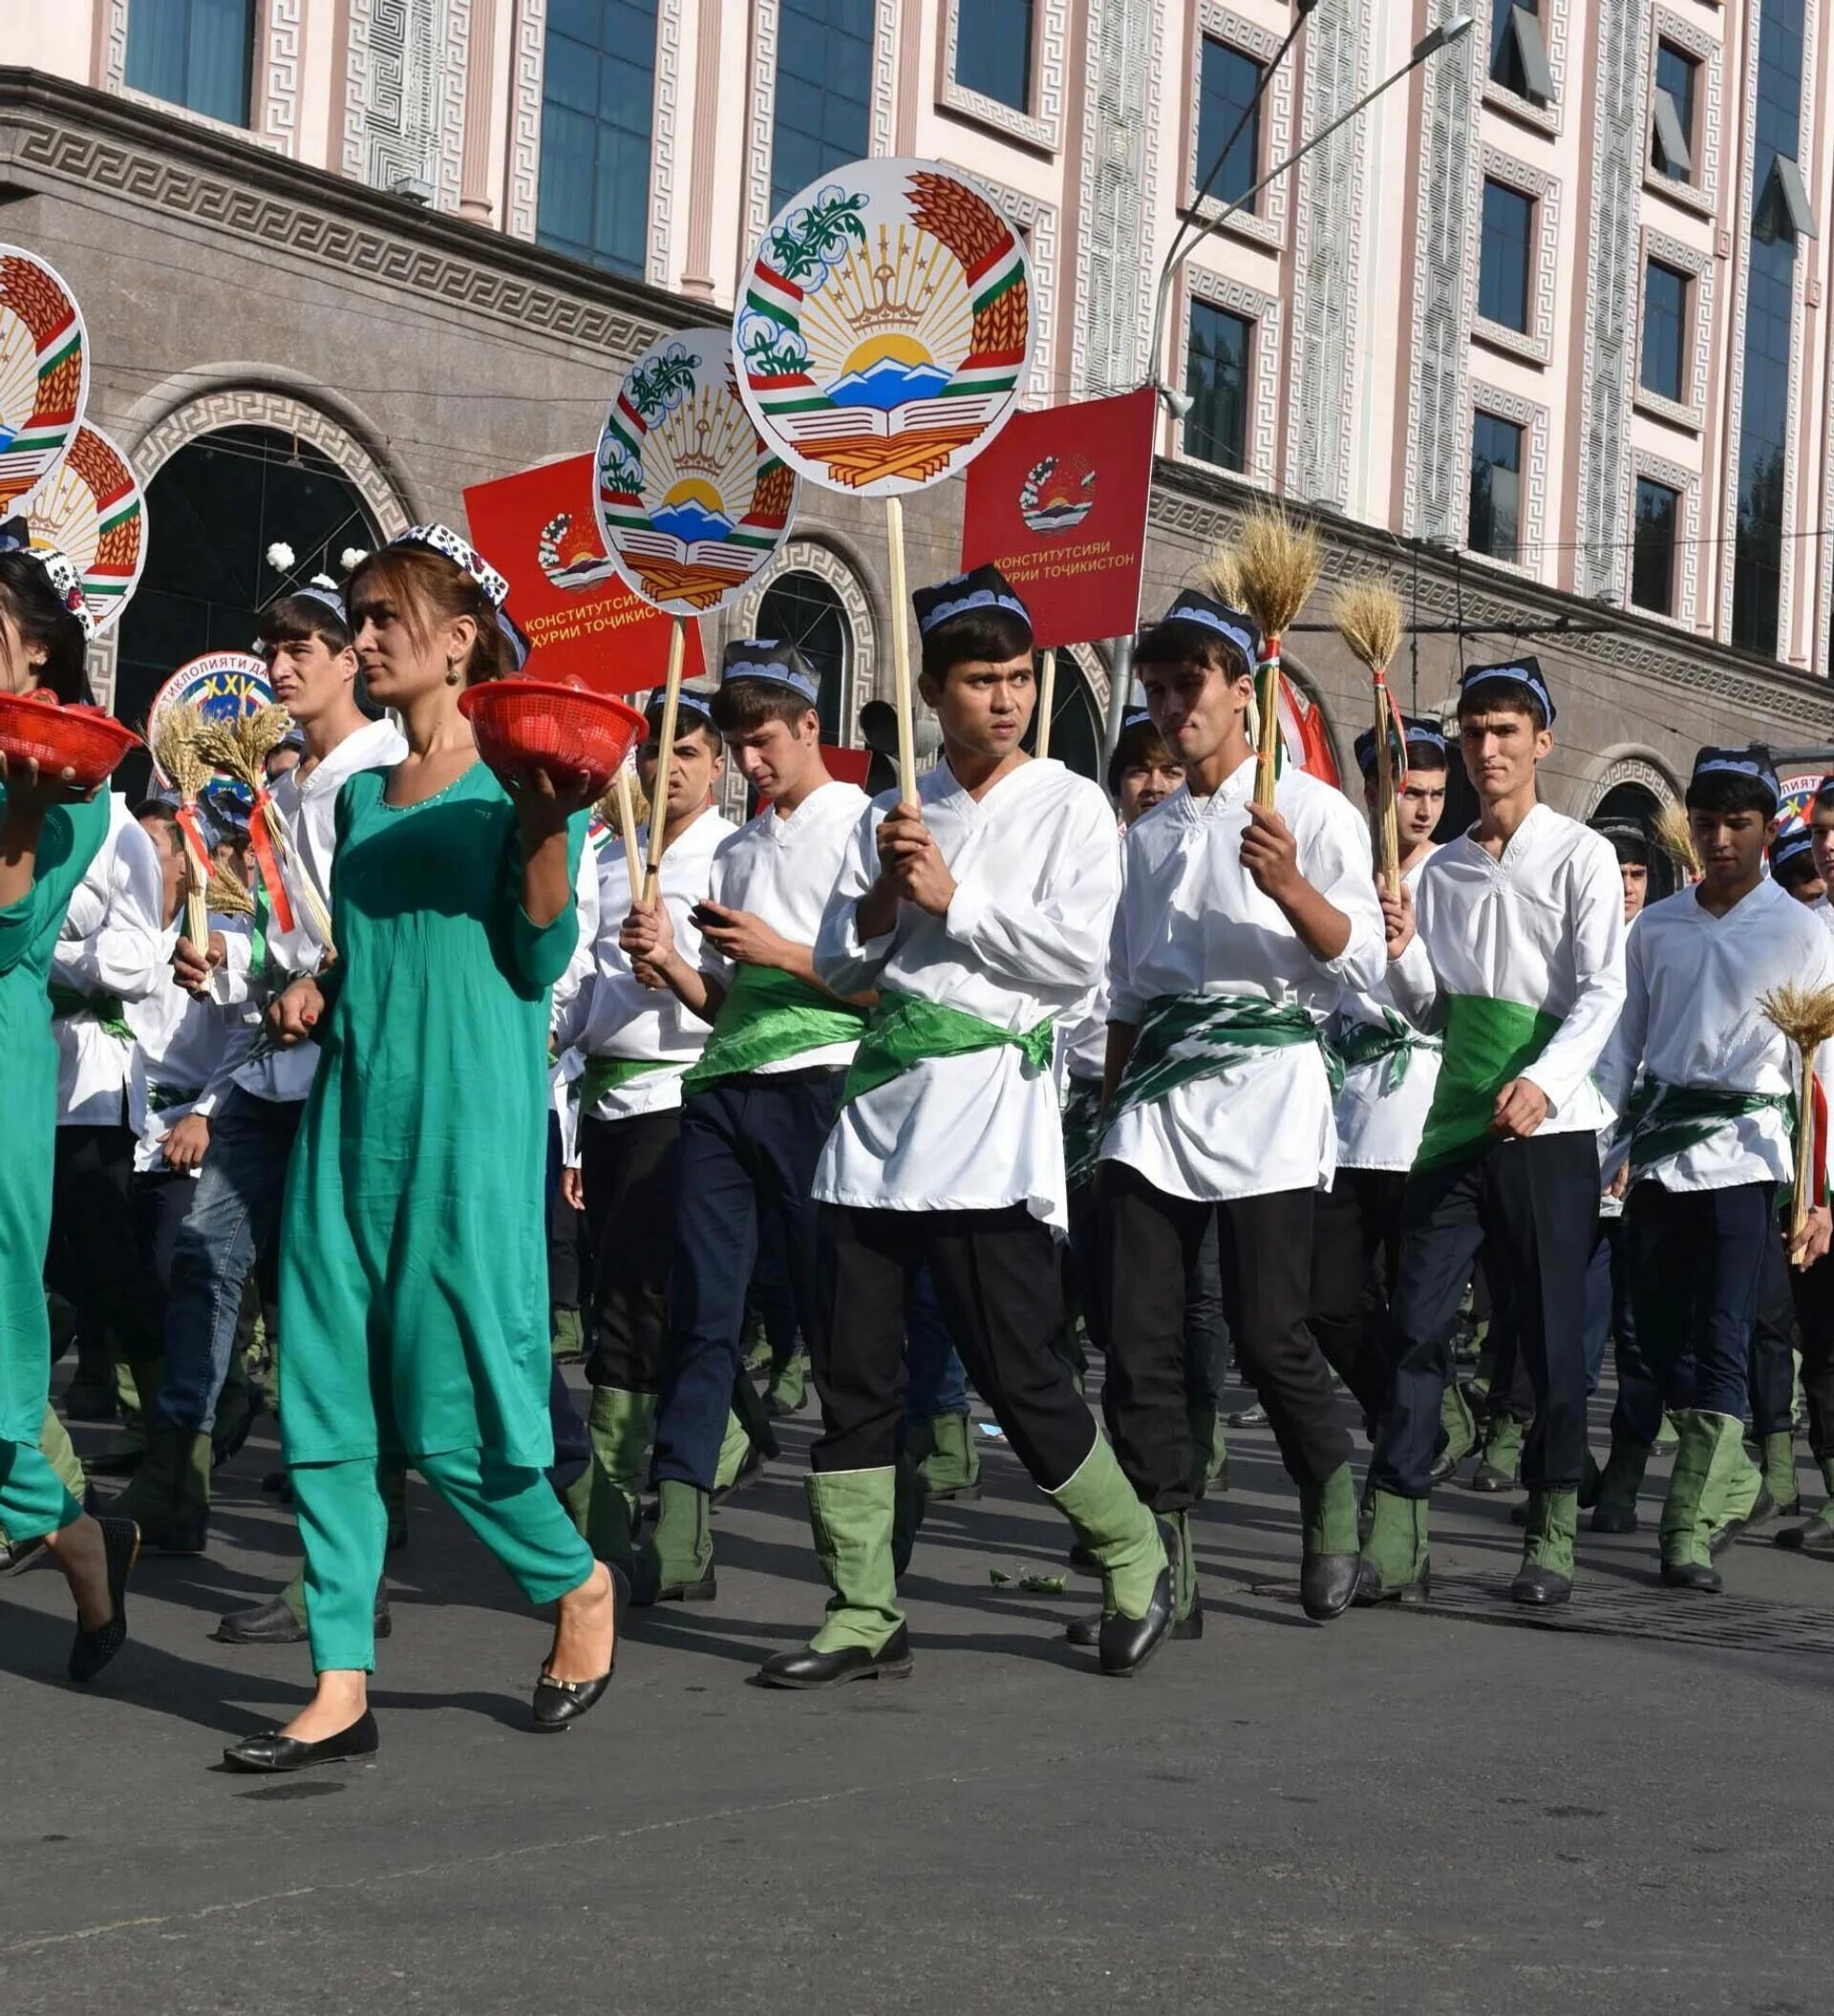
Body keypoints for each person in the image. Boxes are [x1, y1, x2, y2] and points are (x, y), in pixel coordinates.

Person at [221, 527, 616, 1772]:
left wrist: (547, 826)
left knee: (453, 1423)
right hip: (349, 1128)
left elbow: (540, 954)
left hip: (465, 1141)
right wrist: (314, 992)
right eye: (361, 616)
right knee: (325, 1402)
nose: (367, 637)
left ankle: (576, 1581)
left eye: (387, 617)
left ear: (461, 640)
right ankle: (341, 1679)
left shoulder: (516, 784)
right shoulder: (352, 801)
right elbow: (368, 962)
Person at [748, 562, 1167, 1688]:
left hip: (990, 1130)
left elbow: (1080, 954)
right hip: (873, 1131)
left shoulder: (1073, 803)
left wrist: (954, 901)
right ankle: (862, 1604)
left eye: (1019, 676)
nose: (1006, 698)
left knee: (1022, 1374)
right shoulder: (899, 805)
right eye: (981, 678)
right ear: (933, 689)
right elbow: (839, 965)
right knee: (854, 1377)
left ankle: (1134, 1559)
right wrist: (886, 895)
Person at [1097, 588, 1387, 1633]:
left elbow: (1365, 963)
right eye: (1161, 689)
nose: (1176, 707)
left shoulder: (1308, 811)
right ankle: (1162, 1537)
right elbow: (1129, 988)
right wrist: (1107, 1108)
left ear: (1242, 687)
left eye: (1193, 684)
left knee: (1270, 1329)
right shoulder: (1149, 833)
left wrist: (1294, 886)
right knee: (1137, 1332)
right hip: (1157, 1097)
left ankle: (1328, 1485)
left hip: (1268, 1088)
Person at [134, 588, 405, 1580]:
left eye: (299, 650)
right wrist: (230, 964)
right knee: (206, 1254)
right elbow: (280, 938)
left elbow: (377, 938)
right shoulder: (283, 790)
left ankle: (353, 1539)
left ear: (347, 659)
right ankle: (177, 1476)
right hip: (267, 1069)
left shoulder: (383, 774)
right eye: (272, 651)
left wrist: (323, 987)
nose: (279, 668)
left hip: (350, 1069)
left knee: (327, 1303)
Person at [1359, 657, 1626, 1607]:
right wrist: (1400, 950)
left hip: (1548, 1125)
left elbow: (1604, 990)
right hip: (1456, 1118)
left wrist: (1548, 1084)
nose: (1489, 749)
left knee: (1552, 1335)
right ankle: (1398, 1522)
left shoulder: (1580, 854)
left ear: (1542, 742)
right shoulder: (1449, 867)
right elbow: (1431, 1004)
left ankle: (1552, 1524)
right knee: (1418, 1321)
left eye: (1508, 731)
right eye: (1476, 732)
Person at [619, 640, 869, 1607]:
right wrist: (676, 965)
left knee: (828, 1307)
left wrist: (781, 951)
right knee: (703, 1301)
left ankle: (861, 1540)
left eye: (764, 742)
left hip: (823, 1084)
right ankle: (679, 1519)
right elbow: (727, 1007)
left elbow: (888, 988)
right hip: (726, 1088)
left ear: (814, 726)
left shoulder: (866, 825)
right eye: (740, 744)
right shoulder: (735, 846)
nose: (753, 763)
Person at [1593, 748, 1833, 1590]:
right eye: (1706, 822)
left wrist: (1817, 1195)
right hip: (1661, 1158)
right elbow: (1624, 1047)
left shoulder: (1802, 933)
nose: (1720, 838)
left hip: (1747, 1160)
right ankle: (1682, 1469)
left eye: (1738, 823)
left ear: (1768, 830)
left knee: (1726, 1338)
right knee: (1654, 1337)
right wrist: (1610, 1148)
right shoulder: (1658, 926)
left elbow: (1819, 1075)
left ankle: (1686, 1524)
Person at [0, 529, 139, 1680]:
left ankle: (78, 1539)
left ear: (38, 649)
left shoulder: (76, 779)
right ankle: (88, 1546)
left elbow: (6, 930)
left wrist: (23, 808)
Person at [556, 686, 735, 1575]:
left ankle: (670, 1498)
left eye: (690, 753)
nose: (669, 770)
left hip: (685, 1099)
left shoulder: (729, 857)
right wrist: (550, 1033)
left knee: (661, 1300)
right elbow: (590, 989)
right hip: (610, 1103)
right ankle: (619, 1484)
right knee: (613, 1302)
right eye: (656, 754)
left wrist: (674, 962)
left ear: (718, 767)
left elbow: (748, 1001)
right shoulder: (609, 855)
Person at [1312, 716, 1449, 1458]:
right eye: (1405, 791)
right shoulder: (1340, 867)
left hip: (1423, 1120)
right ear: (1371, 793)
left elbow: (1439, 1000)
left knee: (1418, 1307)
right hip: (1344, 1118)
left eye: (1433, 792)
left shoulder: (1452, 875)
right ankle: (1399, 1411)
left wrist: (1408, 946)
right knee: (1327, 1298)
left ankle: (1410, 1446)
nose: (1422, 808)